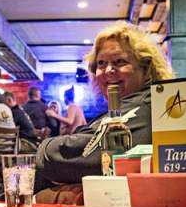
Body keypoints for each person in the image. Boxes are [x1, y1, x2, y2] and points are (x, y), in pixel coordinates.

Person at [35, 23, 174, 191]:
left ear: (146, 69)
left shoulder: (147, 105)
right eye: (101, 63)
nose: (108, 70)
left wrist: (43, 149)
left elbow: (67, 158)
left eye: (120, 61)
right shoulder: (130, 104)